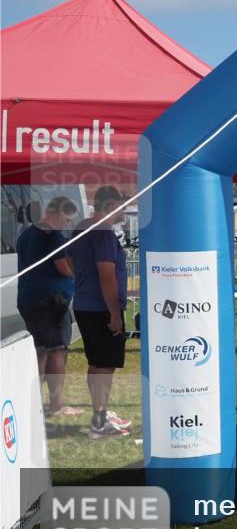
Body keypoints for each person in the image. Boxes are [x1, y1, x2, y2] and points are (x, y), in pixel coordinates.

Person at [68, 186, 131, 438]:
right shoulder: (103, 232)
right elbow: (106, 274)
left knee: (96, 362)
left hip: (85, 304)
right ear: (111, 205)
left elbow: (70, 261)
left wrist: (85, 282)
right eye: (122, 206)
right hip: (101, 307)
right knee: (105, 365)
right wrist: (114, 312)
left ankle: (101, 413)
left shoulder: (81, 227)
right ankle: (99, 419)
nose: (124, 212)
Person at [15, 196, 82, 417]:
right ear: (56, 213)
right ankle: (57, 405)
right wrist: (80, 273)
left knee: (41, 350)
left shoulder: (26, 234)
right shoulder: (53, 236)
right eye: (66, 219)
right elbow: (64, 268)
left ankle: (33, 402)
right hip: (51, 303)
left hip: (28, 298)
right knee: (57, 351)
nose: (65, 225)